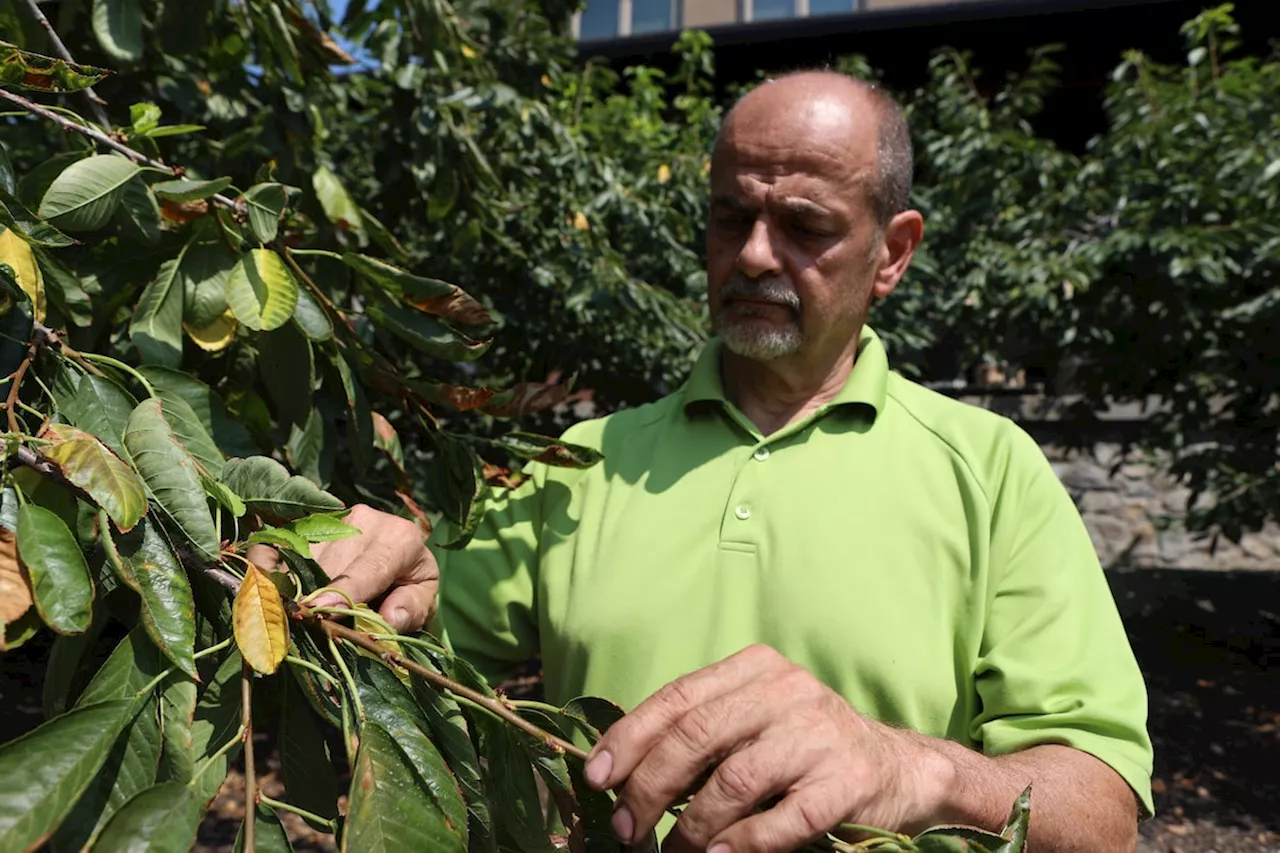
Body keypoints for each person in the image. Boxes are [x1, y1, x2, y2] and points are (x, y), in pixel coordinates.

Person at [274, 71, 1154, 852]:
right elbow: (416, 646)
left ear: (893, 252)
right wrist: (386, 570)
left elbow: (1103, 810)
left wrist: (910, 767)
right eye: (733, 216)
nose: (757, 254)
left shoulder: (991, 469)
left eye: (805, 225)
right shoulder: (580, 461)